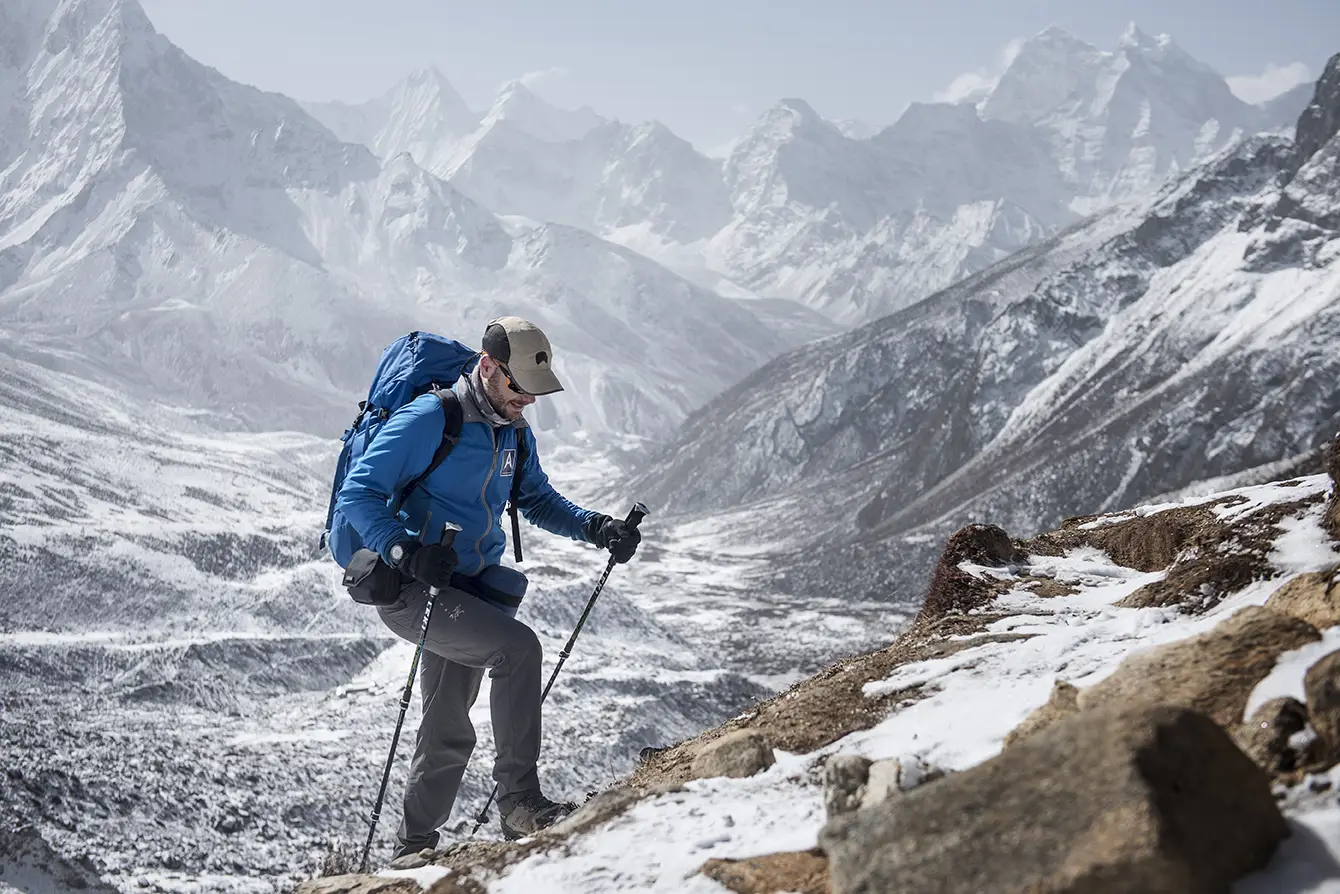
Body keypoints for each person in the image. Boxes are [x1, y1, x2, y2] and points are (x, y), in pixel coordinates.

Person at [335, 316, 642, 855]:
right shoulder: (432, 418)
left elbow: (538, 500)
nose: (527, 402)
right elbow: (357, 495)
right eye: (518, 389)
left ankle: (413, 849)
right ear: (488, 368)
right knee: (517, 649)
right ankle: (521, 802)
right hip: (415, 590)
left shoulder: (513, 432)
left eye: (534, 393)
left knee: (446, 722)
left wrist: (596, 527)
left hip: (468, 589)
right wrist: (403, 550)